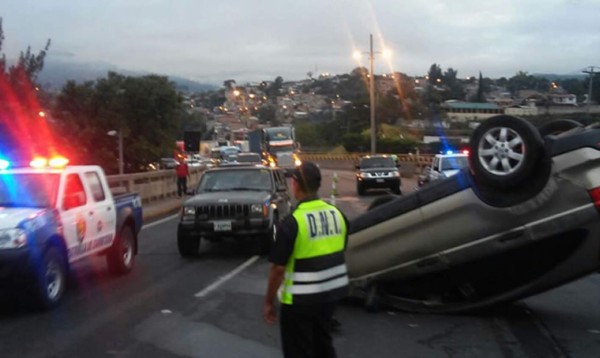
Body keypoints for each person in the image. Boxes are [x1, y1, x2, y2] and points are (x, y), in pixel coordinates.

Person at [263, 161, 349, 358]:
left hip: (299, 301)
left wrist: (269, 302)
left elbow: (278, 268)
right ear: (318, 185)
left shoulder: (292, 222)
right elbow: (340, 247)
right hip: (331, 296)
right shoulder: (338, 215)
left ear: (295, 184)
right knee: (324, 345)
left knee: (299, 350)